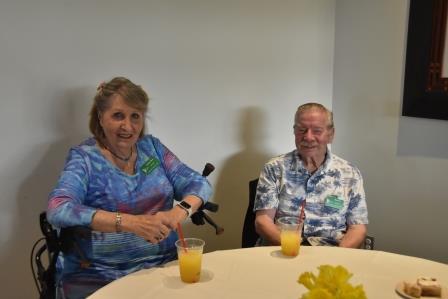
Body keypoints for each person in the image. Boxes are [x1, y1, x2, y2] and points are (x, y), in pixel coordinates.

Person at [47, 77, 212, 298]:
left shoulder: (151, 148)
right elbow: (59, 209)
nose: (128, 126)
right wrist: (130, 222)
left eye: (135, 116)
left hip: (163, 270)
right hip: (100, 277)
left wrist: (179, 211)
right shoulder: (85, 158)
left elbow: (198, 182)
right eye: (118, 116)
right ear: (100, 117)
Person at [254, 102, 368, 248]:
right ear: (294, 131)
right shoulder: (274, 168)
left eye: (317, 131)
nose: (308, 137)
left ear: (331, 134)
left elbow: (357, 228)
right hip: (283, 248)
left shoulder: (350, 173)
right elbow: (263, 221)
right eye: (302, 130)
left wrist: (339, 255)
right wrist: (292, 248)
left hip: (331, 253)